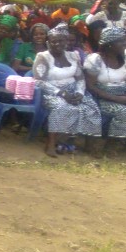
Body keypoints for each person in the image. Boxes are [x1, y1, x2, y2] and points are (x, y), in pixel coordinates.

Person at [31, 25, 101, 156]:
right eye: (54, 41)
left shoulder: (73, 56)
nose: (57, 44)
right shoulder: (43, 57)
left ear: (66, 41)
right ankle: (51, 143)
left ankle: (87, 144)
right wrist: (62, 93)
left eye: (61, 41)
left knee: (91, 107)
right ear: (48, 43)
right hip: (52, 92)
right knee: (62, 107)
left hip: (74, 90)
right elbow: (39, 81)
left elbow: (80, 78)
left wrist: (80, 93)